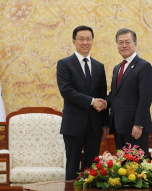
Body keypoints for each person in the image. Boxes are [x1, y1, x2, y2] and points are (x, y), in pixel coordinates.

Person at [57, 25, 108, 180]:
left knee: (92, 168)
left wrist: (105, 124)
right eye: (81, 39)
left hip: (94, 125)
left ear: (92, 41)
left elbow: (102, 96)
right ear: (74, 41)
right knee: (72, 167)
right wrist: (92, 101)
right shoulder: (64, 64)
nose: (85, 42)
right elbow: (66, 91)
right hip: (73, 124)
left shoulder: (99, 66)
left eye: (88, 39)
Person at [106, 28, 152, 154]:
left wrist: (139, 124)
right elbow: (114, 96)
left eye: (128, 42)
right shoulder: (117, 68)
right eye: (120, 42)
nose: (124, 45)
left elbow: (145, 97)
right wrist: (103, 103)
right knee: (122, 167)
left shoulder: (144, 66)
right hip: (118, 125)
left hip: (135, 127)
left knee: (137, 168)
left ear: (135, 44)